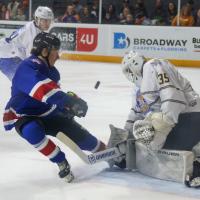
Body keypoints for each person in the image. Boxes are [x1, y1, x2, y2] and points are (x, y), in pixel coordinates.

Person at [3, 32, 106, 183]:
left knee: (87, 141)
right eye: (55, 52)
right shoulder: (26, 66)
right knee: (32, 131)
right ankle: (60, 160)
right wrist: (68, 101)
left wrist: (68, 106)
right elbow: (41, 88)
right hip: (25, 115)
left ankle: (110, 153)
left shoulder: (53, 72)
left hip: (50, 112)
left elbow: (52, 95)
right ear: (44, 51)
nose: (58, 56)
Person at [112, 50, 200, 188]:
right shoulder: (139, 88)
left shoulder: (154, 66)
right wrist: (125, 136)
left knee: (155, 130)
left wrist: (161, 131)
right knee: (145, 129)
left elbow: (174, 99)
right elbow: (137, 113)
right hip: (180, 120)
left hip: (192, 116)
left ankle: (197, 160)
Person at [0, 6, 54, 80]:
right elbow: (30, 59)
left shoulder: (34, 25)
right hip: (7, 57)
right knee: (26, 82)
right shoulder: (33, 34)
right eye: (45, 20)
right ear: (37, 19)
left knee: (29, 81)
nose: (47, 24)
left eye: (49, 21)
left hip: (11, 54)